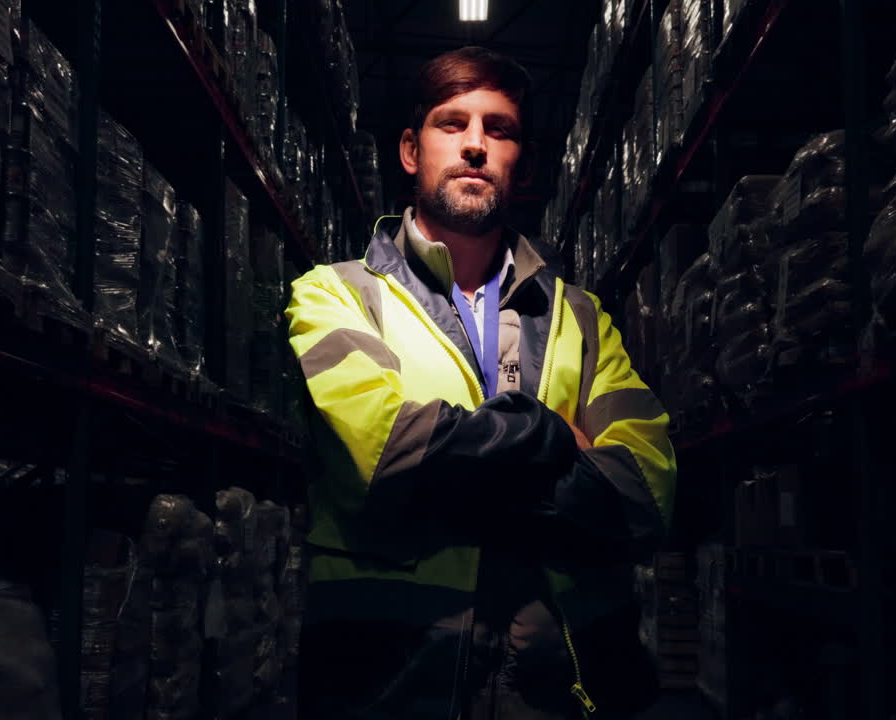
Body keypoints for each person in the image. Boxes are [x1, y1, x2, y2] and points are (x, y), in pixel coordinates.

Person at [285, 46, 677, 719]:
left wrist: (456, 465)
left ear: (519, 157)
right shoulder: (335, 296)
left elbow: (644, 491)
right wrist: (554, 436)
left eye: (498, 129)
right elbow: (384, 456)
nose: (475, 146)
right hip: (388, 681)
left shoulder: (581, 319)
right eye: (452, 123)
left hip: (554, 686)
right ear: (411, 151)